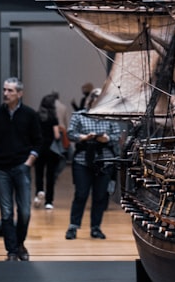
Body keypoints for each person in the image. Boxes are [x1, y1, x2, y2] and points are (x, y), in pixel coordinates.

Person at [0, 77, 41, 261]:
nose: (6, 94)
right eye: (4, 90)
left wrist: (28, 163)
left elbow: (39, 142)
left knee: (25, 211)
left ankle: (20, 243)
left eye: (10, 91)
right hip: (0, 169)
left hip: (21, 167)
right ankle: (12, 251)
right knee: (6, 212)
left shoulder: (30, 115)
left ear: (20, 93)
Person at [65, 88, 122, 240]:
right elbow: (70, 133)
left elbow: (117, 135)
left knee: (100, 195)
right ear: (90, 99)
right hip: (83, 159)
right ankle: (73, 226)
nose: (97, 100)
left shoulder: (110, 116)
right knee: (81, 194)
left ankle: (96, 227)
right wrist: (83, 137)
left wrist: (107, 139)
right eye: (95, 97)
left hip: (104, 160)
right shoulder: (79, 115)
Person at [32, 92, 64, 210]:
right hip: (51, 150)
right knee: (50, 176)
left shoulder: (36, 116)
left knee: (38, 173)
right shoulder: (53, 118)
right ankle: (49, 201)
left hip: (39, 148)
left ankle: (39, 192)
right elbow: (56, 135)